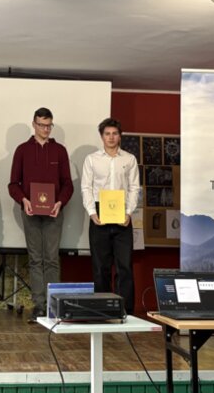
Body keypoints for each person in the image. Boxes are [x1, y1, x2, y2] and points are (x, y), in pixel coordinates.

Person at [8, 107, 74, 322]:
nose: (45, 129)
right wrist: (24, 200)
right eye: (41, 125)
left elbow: (67, 184)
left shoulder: (60, 151)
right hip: (30, 213)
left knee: (52, 259)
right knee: (35, 259)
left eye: (48, 125)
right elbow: (13, 184)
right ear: (34, 124)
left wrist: (60, 202)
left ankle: (53, 306)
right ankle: (38, 305)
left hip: (54, 213)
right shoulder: (22, 150)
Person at [81, 118, 140, 313]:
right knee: (100, 267)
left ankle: (126, 312)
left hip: (122, 214)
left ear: (120, 136)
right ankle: (103, 311)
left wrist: (129, 212)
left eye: (115, 133)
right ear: (102, 136)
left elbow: (134, 188)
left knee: (125, 267)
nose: (111, 137)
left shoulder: (129, 159)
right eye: (107, 134)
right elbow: (86, 188)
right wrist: (92, 212)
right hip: (99, 214)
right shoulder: (91, 159)